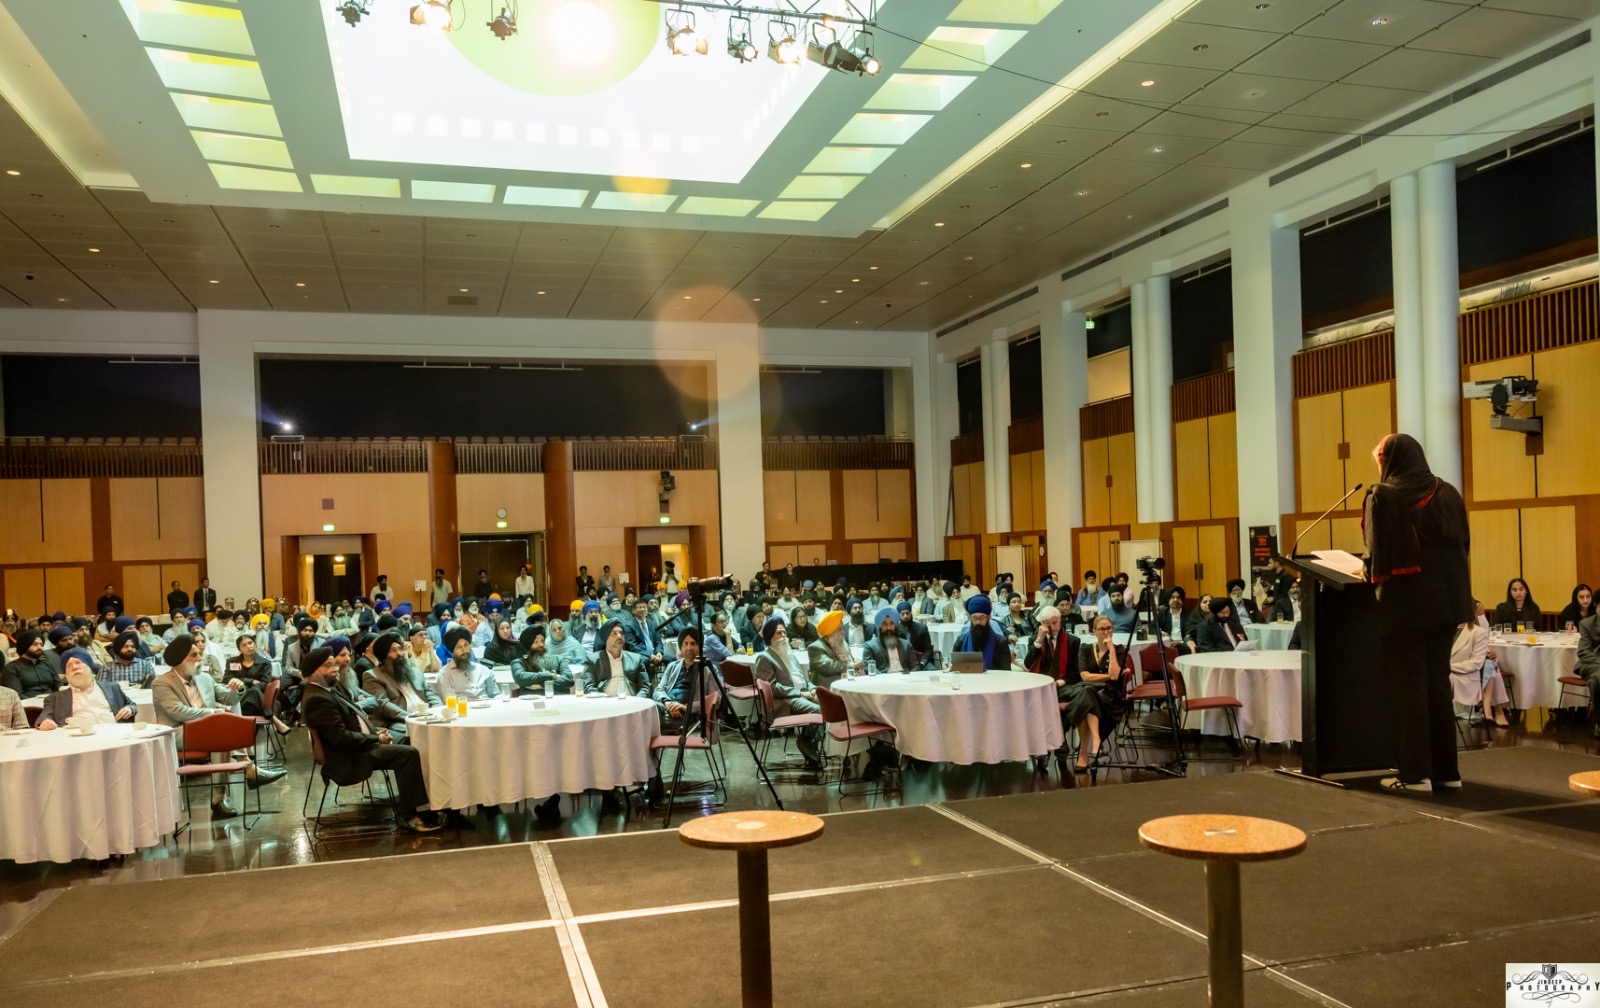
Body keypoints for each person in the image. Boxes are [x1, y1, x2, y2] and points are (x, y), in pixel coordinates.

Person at [1363, 433, 1472, 793]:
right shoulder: (1449, 492)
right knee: (1438, 687)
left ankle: (1415, 776)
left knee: (1408, 691)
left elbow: (1377, 555)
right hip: (1447, 606)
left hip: (1405, 608)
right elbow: (1464, 546)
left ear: (1389, 460)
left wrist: (1365, 570)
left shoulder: (1384, 496)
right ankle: (1447, 773)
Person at [299, 647, 440, 833]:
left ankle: (423, 803)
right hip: (347, 756)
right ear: (314, 671)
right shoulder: (318, 698)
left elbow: (353, 720)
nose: (335, 668)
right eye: (329, 665)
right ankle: (410, 815)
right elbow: (340, 739)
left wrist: (377, 733)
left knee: (410, 740)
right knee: (408, 754)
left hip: (360, 742)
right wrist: (376, 739)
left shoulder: (329, 688)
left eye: (335, 664)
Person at [152, 634, 285, 817]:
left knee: (220, 735)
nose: (200, 658)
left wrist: (237, 688)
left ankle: (220, 798)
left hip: (207, 731)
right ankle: (248, 770)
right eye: (194, 655)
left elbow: (227, 697)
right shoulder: (161, 683)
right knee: (219, 729)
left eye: (200, 653)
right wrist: (212, 714)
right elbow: (177, 711)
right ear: (180, 660)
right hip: (178, 731)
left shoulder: (204, 678)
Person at [749, 620, 823, 766]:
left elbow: (804, 679)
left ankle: (809, 740)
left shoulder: (790, 655)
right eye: (778, 633)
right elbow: (773, 687)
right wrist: (800, 694)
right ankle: (807, 741)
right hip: (784, 700)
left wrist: (813, 689)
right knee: (818, 710)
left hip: (802, 693)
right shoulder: (765, 657)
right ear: (770, 637)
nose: (783, 636)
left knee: (831, 705)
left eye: (784, 632)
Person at [1072, 615, 1129, 770]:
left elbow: (1115, 676)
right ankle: (1096, 740)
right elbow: (1084, 676)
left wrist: (1111, 650)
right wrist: (1109, 676)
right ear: (1094, 631)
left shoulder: (1119, 649)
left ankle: (1083, 756)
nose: (1106, 632)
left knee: (1085, 700)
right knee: (1088, 693)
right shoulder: (1085, 648)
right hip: (1089, 691)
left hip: (1111, 697)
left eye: (1109, 628)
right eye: (1102, 629)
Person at [35, 648, 137, 729]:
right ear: (65, 675)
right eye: (69, 666)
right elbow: (43, 717)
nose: (74, 667)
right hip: (78, 742)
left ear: (89, 666)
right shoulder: (55, 698)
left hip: (115, 734)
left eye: (78, 662)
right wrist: (44, 722)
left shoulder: (111, 687)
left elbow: (131, 704)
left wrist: (129, 709)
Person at [1450, 602, 1510, 727]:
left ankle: (1490, 712)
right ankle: (1495, 712)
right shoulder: (1444, 630)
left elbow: (1476, 660)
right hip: (1459, 670)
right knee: (1491, 666)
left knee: (1489, 663)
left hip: (1466, 672)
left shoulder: (1477, 630)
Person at [581, 620, 650, 696]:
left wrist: (637, 700)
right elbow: (588, 687)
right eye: (614, 633)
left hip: (631, 702)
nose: (619, 636)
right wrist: (601, 700)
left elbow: (644, 688)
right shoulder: (592, 660)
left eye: (621, 633)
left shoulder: (636, 659)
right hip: (604, 703)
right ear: (605, 638)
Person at [807, 610, 863, 690]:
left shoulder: (842, 643)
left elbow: (849, 660)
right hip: (827, 690)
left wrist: (857, 664)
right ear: (831, 632)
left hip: (847, 685)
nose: (843, 633)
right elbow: (829, 666)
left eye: (843, 628)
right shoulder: (815, 647)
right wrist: (851, 666)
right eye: (839, 629)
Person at [862, 606, 926, 674]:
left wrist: (909, 677)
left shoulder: (906, 644)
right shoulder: (870, 646)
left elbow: (915, 667)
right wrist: (886, 679)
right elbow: (869, 668)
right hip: (884, 680)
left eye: (892, 624)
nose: (889, 627)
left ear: (895, 626)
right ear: (879, 627)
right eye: (884, 624)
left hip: (905, 679)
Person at [2, 629, 63, 699]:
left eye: (41, 644)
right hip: (28, 706)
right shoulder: (12, 668)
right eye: (35, 644)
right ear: (25, 646)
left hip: (52, 703)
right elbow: (16, 695)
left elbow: (59, 687)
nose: (40, 647)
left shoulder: (47, 664)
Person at [953, 595, 1009, 670]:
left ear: (989, 618)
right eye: (975, 618)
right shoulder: (960, 641)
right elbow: (956, 669)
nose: (978, 622)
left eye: (982, 618)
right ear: (970, 618)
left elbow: (1006, 672)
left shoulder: (1001, 642)